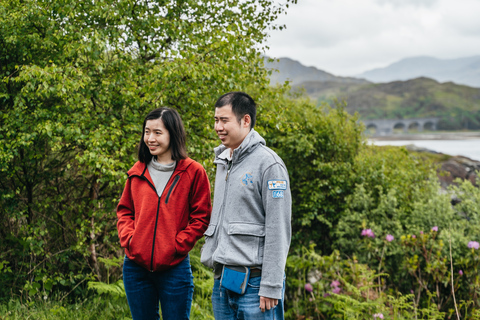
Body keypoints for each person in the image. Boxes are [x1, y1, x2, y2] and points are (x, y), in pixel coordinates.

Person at [200, 92, 292, 319]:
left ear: (246, 120)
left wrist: (271, 285)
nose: (218, 127)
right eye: (215, 120)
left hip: (256, 285)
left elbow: (278, 227)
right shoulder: (223, 161)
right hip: (224, 282)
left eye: (224, 120)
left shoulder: (269, 165)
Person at [117, 107, 212, 320]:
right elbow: (125, 211)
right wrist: (130, 239)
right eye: (147, 132)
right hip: (135, 268)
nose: (150, 138)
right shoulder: (137, 170)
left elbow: (201, 217)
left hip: (174, 268)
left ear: (173, 133)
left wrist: (177, 245)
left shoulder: (193, 171)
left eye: (157, 132)